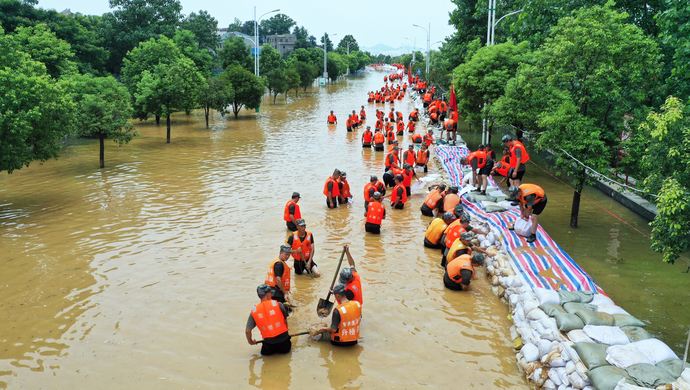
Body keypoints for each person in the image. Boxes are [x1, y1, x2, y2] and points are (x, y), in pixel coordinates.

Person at [246, 284, 291, 355]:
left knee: (265, 357)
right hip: (284, 344)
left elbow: (248, 331)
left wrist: (250, 341)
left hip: (269, 346)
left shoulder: (254, 311)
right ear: (267, 295)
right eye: (271, 293)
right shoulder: (279, 304)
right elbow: (285, 322)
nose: (272, 294)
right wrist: (286, 336)